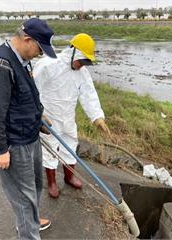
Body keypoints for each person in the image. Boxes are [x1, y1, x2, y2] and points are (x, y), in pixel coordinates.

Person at [0, 18, 56, 239]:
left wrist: (39, 117)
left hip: (30, 136)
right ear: (27, 40)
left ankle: (30, 221)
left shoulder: (22, 60)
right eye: (40, 49)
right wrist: (1, 149)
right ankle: (28, 232)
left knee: (35, 186)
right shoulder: (1, 65)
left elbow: (27, 95)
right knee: (24, 198)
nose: (40, 54)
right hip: (14, 144)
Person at [33, 33, 111, 198]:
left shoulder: (82, 74)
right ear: (73, 52)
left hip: (68, 118)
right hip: (49, 118)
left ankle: (69, 177)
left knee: (71, 145)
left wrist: (97, 117)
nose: (82, 65)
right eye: (81, 61)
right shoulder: (48, 64)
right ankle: (52, 182)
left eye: (85, 63)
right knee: (49, 149)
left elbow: (89, 95)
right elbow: (31, 89)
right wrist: (36, 114)